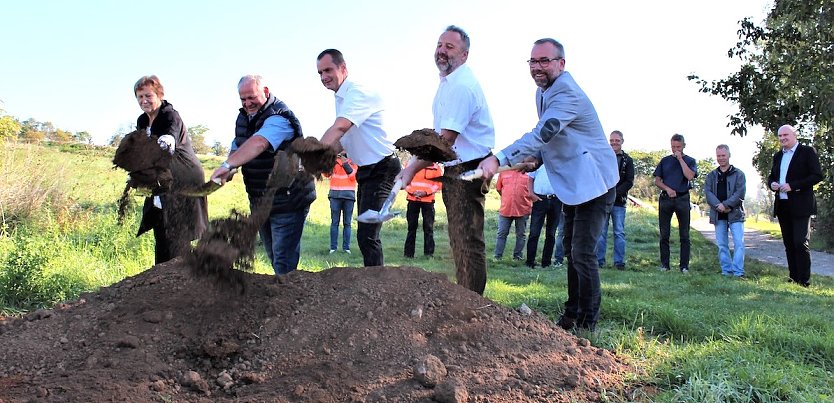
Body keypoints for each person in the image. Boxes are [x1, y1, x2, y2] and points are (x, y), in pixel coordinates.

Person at [478, 38, 618, 332]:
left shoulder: (567, 93)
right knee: (570, 248)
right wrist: (533, 160)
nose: (537, 67)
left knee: (582, 253)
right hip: (573, 183)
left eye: (544, 61)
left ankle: (588, 322)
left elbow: (544, 132)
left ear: (561, 64)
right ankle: (572, 314)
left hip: (596, 181)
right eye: (533, 61)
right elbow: (553, 140)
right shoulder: (543, 92)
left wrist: (499, 158)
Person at [396, 25, 496, 295]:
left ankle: (473, 303)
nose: (441, 50)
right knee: (459, 238)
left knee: (467, 240)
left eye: (449, 47)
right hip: (457, 169)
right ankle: (467, 294)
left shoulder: (462, 87)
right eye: (440, 45)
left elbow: (444, 142)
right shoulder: (448, 85)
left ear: (464, 55)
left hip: (469, 170)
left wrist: (410, 170)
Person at [211, 75, 316, 276]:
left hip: (289, 198)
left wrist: (228, 164)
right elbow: (239, 143)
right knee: (272, 254)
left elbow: (259, 143)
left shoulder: (280, 117)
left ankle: (288, 301)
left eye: (251, 97)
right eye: (243, 99)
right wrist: (230, 167)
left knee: (283, 259)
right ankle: (282, 294)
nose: (247, 103)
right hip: (261, 199)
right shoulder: (244, 118)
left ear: (265, 92)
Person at [316, 48, 400, 267]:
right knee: (364, 233)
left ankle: (377, 287)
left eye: (328, 70)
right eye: (320, 73)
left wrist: (312, 154)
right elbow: (341, 141)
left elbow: (340, 127)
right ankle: (373, 282)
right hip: (366, 170)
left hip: (383, 167)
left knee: (367, 235)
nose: (324, 77)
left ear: (343, 68)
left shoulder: (357, 93)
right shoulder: (341, 98)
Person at [132, 75, 208, 265]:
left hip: (183, 179)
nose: (144, 101)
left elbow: (170, 138)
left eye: (148, 96)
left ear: (159, 95)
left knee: (177, 234)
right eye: (140, 97)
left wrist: (163, 144)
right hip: (161, 179)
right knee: (160, 226)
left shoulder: (169, 114)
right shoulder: (142, 121)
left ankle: (183, 282)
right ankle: (162, 281)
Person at [768, 124, 823, 287]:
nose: (782, 138)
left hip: (801, 204)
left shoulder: (807, 152)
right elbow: (771, 177)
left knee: (800, 242)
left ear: (794, 135)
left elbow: (817, 175)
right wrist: (772, 184)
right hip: (783, 205)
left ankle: (804, 280)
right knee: (789, 243)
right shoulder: (778, 156)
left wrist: (793, 185)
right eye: (780, 136)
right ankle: (793, 277)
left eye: (786, 135)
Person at [653, 134, 697, 273]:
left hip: (682, 198)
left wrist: (680, 160)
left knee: (684, 234)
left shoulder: (690, 160)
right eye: (673, 147)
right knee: (664, 234)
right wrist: (667, 189)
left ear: (684, 146)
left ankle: (684, 266)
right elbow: (657, 180)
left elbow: (690, 176)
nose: (675, 149)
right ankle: (665, 265)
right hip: (666, 199)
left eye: (678, 147)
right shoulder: (664, 161)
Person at [704, 144, 746, 277]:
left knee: (739, 243)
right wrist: (718, 205)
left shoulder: (739, 174)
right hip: (718, 214)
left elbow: (740, 193)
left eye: (723, 155)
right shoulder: (711, 175)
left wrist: (726, 205)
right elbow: (708, 192)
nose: (721, 158)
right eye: (718, 156)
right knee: (722, 244)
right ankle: (726, 271)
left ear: (729, 155)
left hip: (735, 214)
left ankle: (738, 272)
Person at [596, 130, 634, 270]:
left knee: (619, 232)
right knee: (601, 232)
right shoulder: (602, 158)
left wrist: (615, 193)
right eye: (611, 140)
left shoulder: (628, 160)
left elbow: (629, 181)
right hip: (603, 201)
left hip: (619, 202)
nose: (614, 143)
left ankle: (619, 262)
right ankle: (599, 261)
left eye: (617, 140)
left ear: (622, 141)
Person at [525, 165, 562, 268]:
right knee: (534, 232)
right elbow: (530, 179)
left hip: (556, 200)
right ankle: (530, 262)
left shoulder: (558, 161)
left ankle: (546, 263)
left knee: (551, 233)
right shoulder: (539, 162)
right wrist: (531, 194)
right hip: (539, 199)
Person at [403, 162, 442, 258]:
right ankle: (408, 254)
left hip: (428, 201)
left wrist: (426, 192)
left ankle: (428, 254)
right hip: (413, 199)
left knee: (428, 228)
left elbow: (438, 184)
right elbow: (404, 180)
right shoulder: (410, 164)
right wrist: (413, 192)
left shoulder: (435, 167)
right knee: (411, 228)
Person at [494, 169, 533, 260]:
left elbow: (532, 190)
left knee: (521, 234)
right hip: (506, 209)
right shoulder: (503, 172)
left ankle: (517, 257)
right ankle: (497, 257)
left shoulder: (529, 173)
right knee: (501, 233)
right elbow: (499, 189)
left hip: (523, 209)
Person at [325, 153, 358, 254]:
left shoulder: (354, 162)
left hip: (348, 197)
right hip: (335, 196)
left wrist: (345, 163)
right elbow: (326, 174)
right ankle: (333, 248)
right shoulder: (333, 162)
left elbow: (353, 176)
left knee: (347, 223)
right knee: (334, 222)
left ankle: (346, 248)